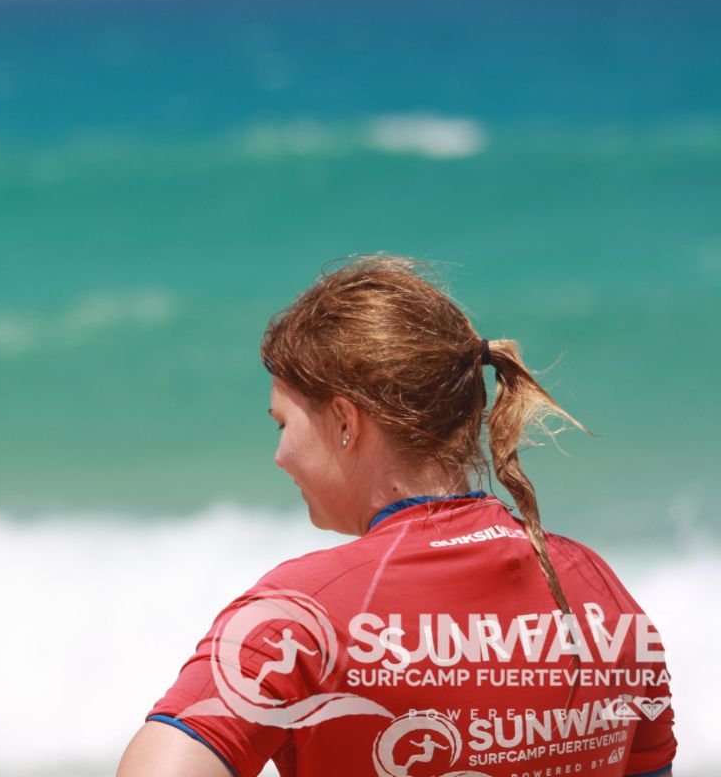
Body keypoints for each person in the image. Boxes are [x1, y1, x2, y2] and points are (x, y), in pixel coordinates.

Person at [118, 257, 675, 777]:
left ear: (345, 421)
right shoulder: (600, 594)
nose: (280, 455)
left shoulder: (302, 618)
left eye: (282, 424)